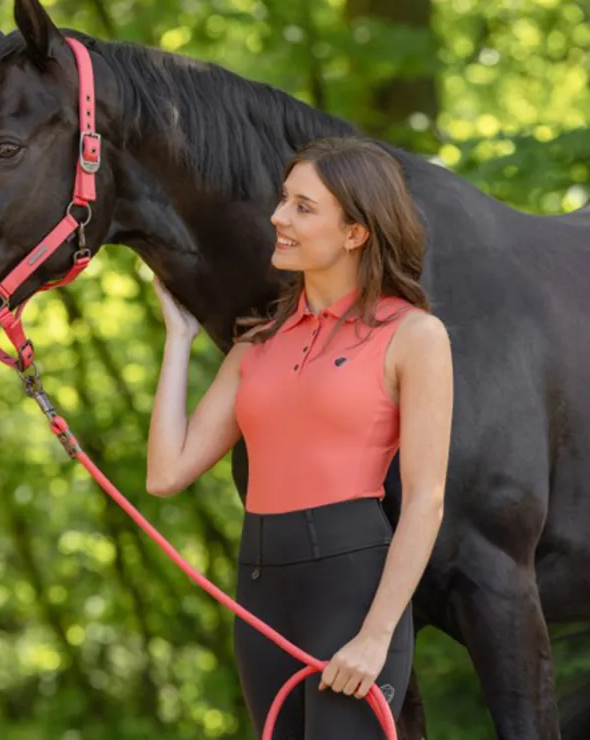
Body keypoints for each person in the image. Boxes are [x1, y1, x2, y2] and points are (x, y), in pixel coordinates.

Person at [146, 136, 453, 738]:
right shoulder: (257, 344)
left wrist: (376, 634)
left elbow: (426, 498)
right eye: (284, 200)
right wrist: (177, 341)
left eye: (302, 207)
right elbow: (165, 474)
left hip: (352, 589)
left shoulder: (414, 336)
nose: (278, 217)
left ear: (355, 232)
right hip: (260, 588)